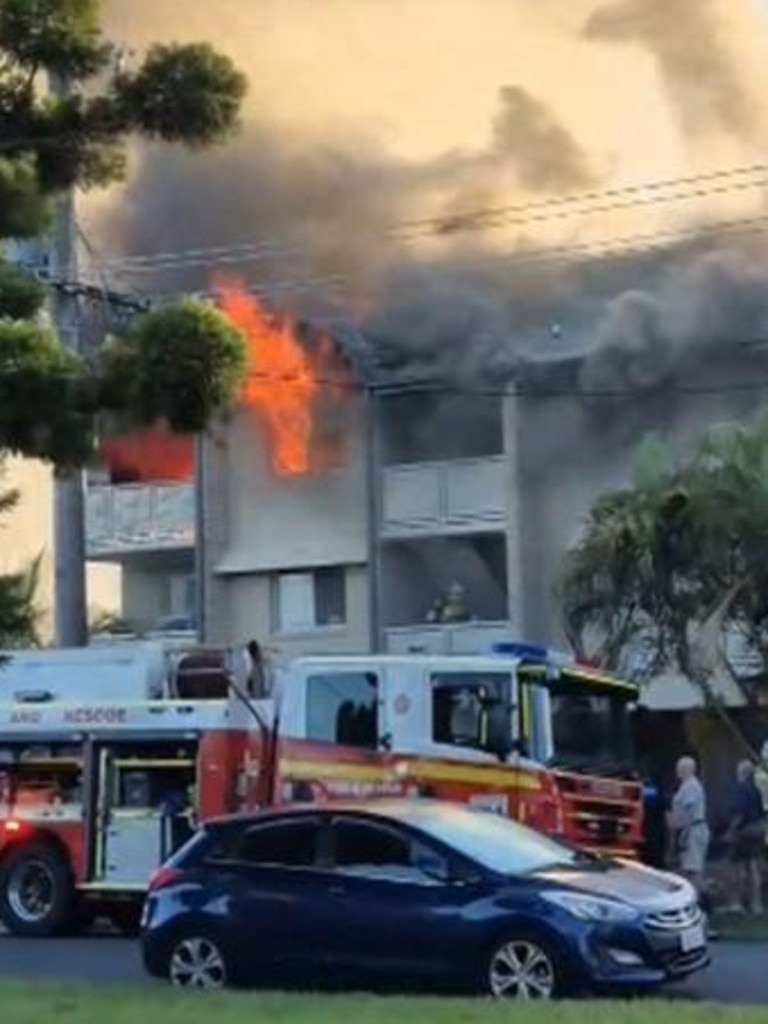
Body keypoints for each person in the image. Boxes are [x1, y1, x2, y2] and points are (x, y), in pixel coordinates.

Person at [726, 760, 765, 915]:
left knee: (738, 868)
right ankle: (757, 904)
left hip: (744, 833)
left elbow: (739, 814)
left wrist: (731, 831)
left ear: (742, 773)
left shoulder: (741, 789)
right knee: (754, 867)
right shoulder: (756, 790)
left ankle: (737, 903)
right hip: (757, 830)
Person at [667, 755, 710, 896]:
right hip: (691, 830)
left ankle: (704, 901)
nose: (677, 770)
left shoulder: (691, 785)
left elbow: (689, 812)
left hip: (694, 830)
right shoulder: (686, 785)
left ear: (687, 769)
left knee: (693, 870)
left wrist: (684, 834)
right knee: (687, 869)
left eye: (679, 767)